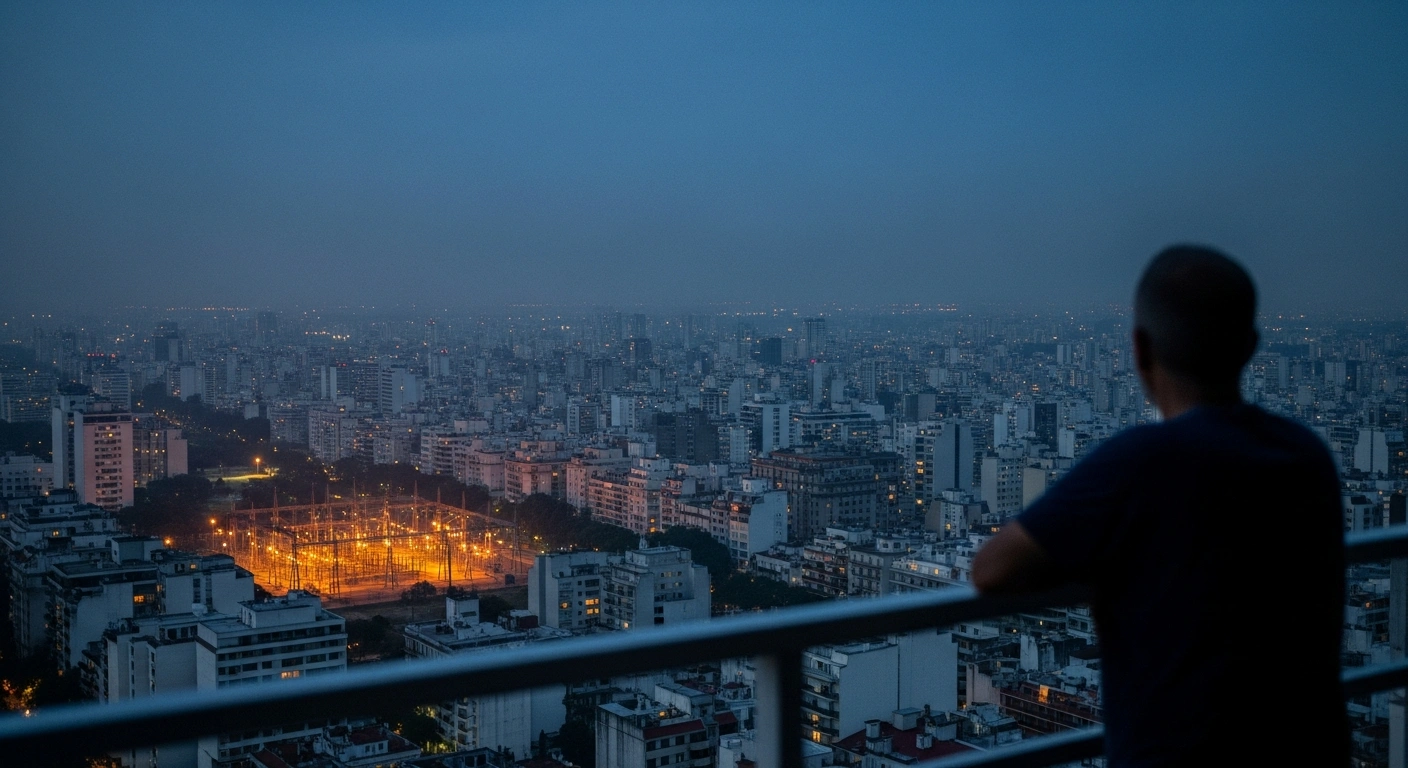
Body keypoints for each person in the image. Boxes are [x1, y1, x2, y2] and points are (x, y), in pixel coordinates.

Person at [971, 245, 1348, 766]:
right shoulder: (1307, 457)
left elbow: (992, 568)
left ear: (1140, 350)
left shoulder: (1141, 462)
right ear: (1252, 346)